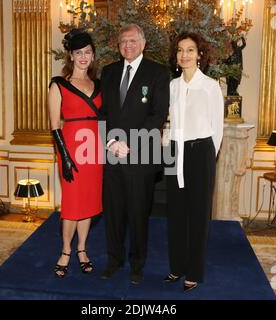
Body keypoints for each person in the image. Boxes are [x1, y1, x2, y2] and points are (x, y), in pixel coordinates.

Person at [100, 23, 170, 284]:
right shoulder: (108, 72)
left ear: (143, 43)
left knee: (139, 213)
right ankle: (114, 260)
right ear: (118, 46)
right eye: (122, 42)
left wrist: (128, 143)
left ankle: (137, 265)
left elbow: (158, 115)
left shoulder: (158, 73)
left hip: (140, 155)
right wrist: (111, 143)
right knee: (114, 212)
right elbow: (103, 113)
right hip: (112, 155)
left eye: (132, 41)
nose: (127, 46)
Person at [164, 32, 224, 292]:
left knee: (198, 216)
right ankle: (176, 267)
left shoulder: (210, 86)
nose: (184, 55)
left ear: (199, 54)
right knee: (175, 214)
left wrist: (207, 157)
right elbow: (170, 122)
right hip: (174, 152)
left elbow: (217, 129)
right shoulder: (173, 85)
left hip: (200, 153)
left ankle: (194, 272)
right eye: (180, 50)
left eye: (190, 50)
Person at [48, 29, 103, 278]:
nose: (83, 57)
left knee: (88, 203)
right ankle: (65, 250)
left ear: (93, 56)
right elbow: (54, 125)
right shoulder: (58, 85)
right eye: (79, 52)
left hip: (93, 150)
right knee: (71, 204)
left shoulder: (99, 85)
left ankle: (82, 249)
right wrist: (66, 158)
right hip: (70, 148)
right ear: (71, 55)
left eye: (88, 52)